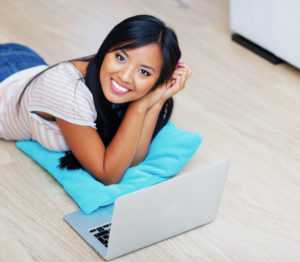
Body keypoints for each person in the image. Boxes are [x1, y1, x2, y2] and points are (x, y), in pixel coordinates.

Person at [0, 14, 192, 185]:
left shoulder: (112, 83)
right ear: (106, 49)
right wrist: (139, 107)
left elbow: (133, 157)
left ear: (158, 80)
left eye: (144, 72)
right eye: (120, 57)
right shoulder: (69, 94)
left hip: (25, 63)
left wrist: (156, 101)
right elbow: (108, 173)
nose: (125, 76)